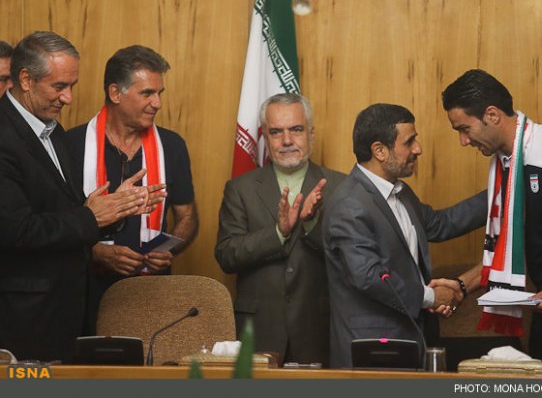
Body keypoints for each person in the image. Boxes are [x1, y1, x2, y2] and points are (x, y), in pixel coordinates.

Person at [0, 31, 161, 363]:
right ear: (26, 80)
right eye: (59, 86)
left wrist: (115, 208)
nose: (68, 98)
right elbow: (17, 230)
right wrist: (91, 217)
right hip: (24, 320)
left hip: (66, 310)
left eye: (72, 86)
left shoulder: (53, 131)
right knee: (27, 386)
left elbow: (67, 211)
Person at [440, 69, 542, 376]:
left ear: (492, 115)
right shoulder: (503, 166)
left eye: (464, 129)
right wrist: (461, 286)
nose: (463, 141)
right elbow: (510, 250)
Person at [322, 103, 487, 368]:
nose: (418, 149)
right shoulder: (349, 204)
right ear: (379, 150)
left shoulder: (400, 191)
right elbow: (368, 276)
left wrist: (502, 192)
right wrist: (432, 297)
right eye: (409, 142)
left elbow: (441, 224)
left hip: (411, 340)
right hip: (371, 351)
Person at [67, 45, 198, 331]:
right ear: (115, 93)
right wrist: (95, 252)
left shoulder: (172, 146)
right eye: (147, 93)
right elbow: (56, 225)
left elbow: (188, 217)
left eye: (159, 93)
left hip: (152, 295)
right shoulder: (71, 145)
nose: (157, 103)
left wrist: (168, 249)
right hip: (86, 294)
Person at [215, 93, 345, 366]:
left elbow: (350, 256)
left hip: (319, 329)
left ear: (311, 133)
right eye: (276, 132)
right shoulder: (240, 189)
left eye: (296, 129)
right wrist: (278, 233)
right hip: (260, 329)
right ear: (265, 136)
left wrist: (310, 224)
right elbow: (227, 254)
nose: (287, 140)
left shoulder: (340, 186)